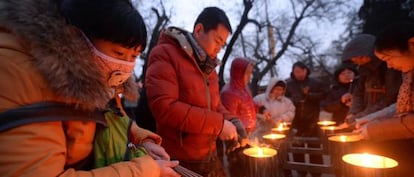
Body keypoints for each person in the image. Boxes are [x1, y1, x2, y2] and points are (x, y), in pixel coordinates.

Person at [0, 0, 179, 176]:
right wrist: (144, 171)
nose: (126, 66)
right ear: (77, 38)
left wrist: (141, 139)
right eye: (119, 53)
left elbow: (113, 117)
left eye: (133, 56)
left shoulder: (98, 74)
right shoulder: (20, 73)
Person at [145, 7, 238, 177]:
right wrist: (218, 125)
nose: (219, 48)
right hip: (180, 159)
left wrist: (233, 121)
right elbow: (165, 108)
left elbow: (215, 107)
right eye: (217, 40)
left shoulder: (209, 69)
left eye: (222, 44)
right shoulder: (165, 53)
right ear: (199, 30)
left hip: (209, 156)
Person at [352, 21, 414, 177]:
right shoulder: (408, 75)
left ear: (412, 44)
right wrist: (372, 118)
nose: (389, 66)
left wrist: (375, 129)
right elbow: (400, 106)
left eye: (388, 58)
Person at [341, 34, 402, 124]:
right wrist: (353, 113)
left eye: (359, 57)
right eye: (352, 59)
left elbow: (390, 99)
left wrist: (360, 117)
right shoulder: (363, 71)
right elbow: (358, 94)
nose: (354, 60)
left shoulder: (390, 69)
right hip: (365, 120)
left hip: (386, 121)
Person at [285, 61, 327, 177]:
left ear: (306, 70)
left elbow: (324, 95)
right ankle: (301, 172)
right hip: (296, 121)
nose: (299, 74)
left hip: (312, 120)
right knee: (298, 148)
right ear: (293, 72)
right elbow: (285, 99)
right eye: (296, 71)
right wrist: (295, 99)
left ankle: (317, 173)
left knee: (315, 149)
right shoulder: (289, 84)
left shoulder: (315, 82)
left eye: (301, 71)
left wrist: (309, 95)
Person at [220, 57, 255, 177]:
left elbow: (249, 105)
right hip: (238, 141)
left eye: (251, 73)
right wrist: (239, 138)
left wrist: (261, 109)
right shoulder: (229, 93)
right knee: (241, 171)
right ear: (238, 73)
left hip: (248, 137)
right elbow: (230, 119)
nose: (250, 76)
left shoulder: (244, 89)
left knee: (251, 170)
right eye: (248, 73)